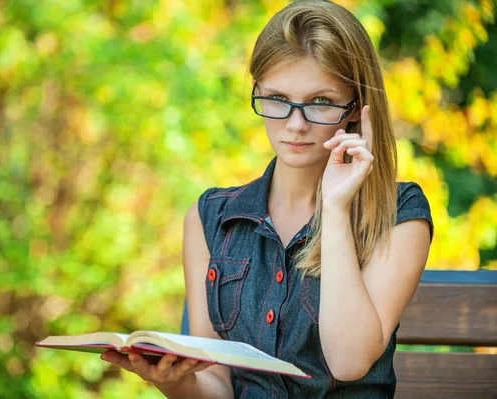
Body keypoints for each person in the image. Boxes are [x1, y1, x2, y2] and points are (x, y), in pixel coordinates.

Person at [101, 0, 433, 397]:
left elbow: (348, 362)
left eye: (320, 102)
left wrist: (337, 206)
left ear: (355, 109)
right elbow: (218, 385)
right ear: (256, 90)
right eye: (276, 98)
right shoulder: (212, 217)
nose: (295, 124)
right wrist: (174, 381)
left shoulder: (399, 214)